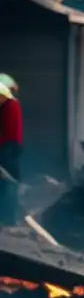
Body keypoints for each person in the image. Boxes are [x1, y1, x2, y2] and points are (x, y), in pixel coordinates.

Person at [0, 81, 23, 226]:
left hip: (8, 147)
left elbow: (8, 133)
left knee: (8, 182)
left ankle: (9, 219)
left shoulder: (10, 107)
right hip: (11, 147)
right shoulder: (10, 106)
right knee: (10, 182)